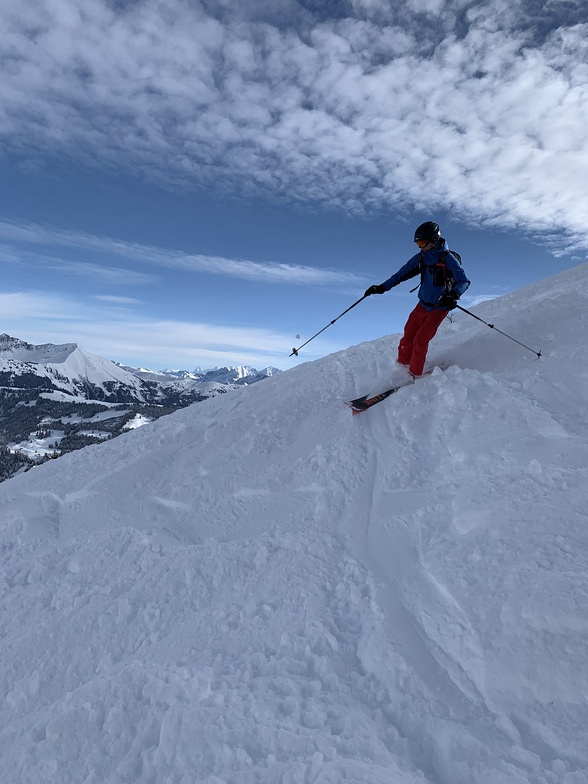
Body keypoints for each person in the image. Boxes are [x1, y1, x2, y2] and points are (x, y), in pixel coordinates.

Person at [364, 221, 470, 378]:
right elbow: (401, 274)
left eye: (422, 242)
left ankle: (414, 374)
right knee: (407, 337)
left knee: (420, 340)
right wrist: (382, 287)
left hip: (439, 307)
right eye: (418, 244)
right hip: (422, 305)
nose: (420, 247)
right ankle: (402, 368)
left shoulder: (447, 258)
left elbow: (464, 281)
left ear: (433, 239)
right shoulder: (421, 258)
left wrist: (453, 295)